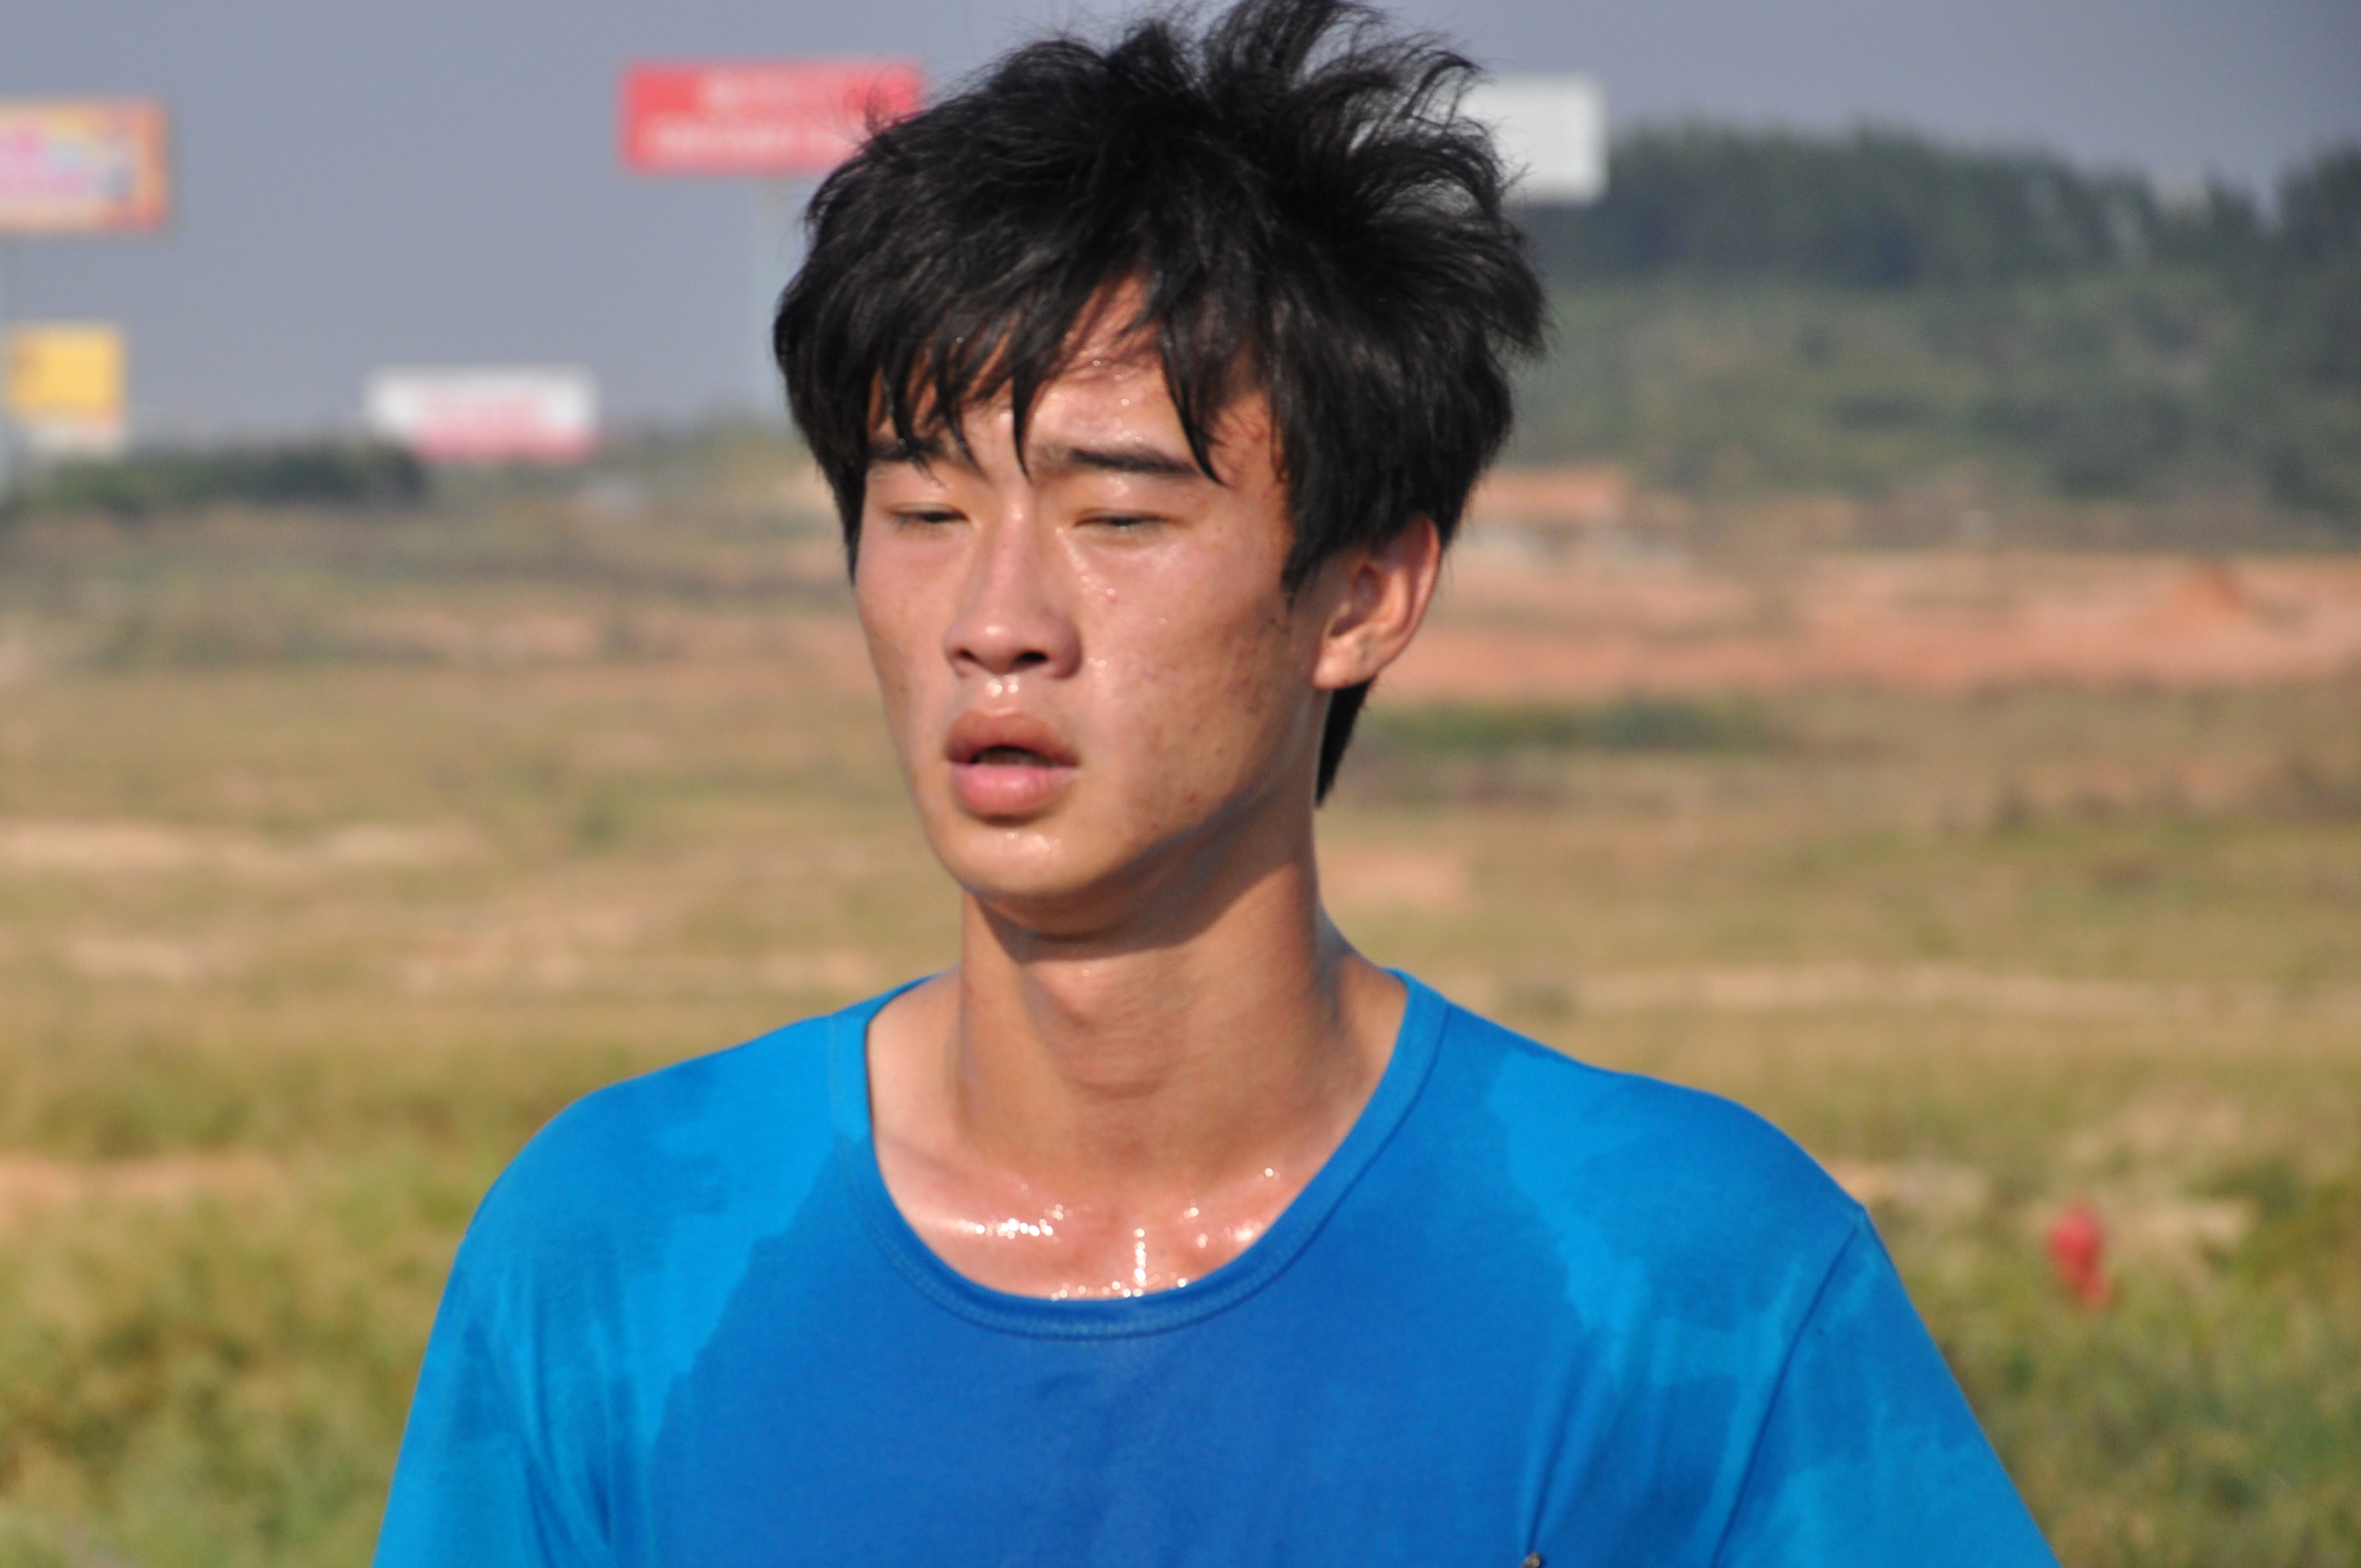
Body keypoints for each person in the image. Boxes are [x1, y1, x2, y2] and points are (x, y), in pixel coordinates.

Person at [375, 1, 2059, 1562]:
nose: (996, 623)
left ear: (1365, 595)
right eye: (925, 512)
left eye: (1119, 516)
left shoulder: (1695, 1283)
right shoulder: (615, 1257)